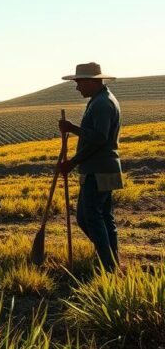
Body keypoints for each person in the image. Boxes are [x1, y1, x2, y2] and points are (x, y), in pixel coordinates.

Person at [57, 62, 123, 271]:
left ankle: (108, 265)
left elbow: (99, 138)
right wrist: (73, 130)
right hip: (104, 167)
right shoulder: (101, 100)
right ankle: (111, 261)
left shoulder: (102, 103)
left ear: (91, 82)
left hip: (98, 169)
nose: (77, 87)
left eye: (79, 83)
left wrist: (73, 160)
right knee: (102, 217)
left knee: (89, 218)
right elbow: (97, 136)